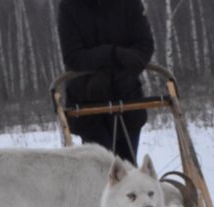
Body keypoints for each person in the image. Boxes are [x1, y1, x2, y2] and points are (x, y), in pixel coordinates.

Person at [57, 0, 154, 164]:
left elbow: (144, 47)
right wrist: (113, 54)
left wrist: (113, 74)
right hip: (87, 101)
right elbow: (73, 56)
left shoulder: (130, 4)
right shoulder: (69, 6)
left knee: (128, 170)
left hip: (127, 97)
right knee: (99, 172)